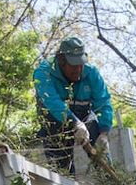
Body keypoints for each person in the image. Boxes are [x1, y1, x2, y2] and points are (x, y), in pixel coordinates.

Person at [33, 37, 114, 174]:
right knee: (62, 166)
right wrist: (74, 122)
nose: (78, 69)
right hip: (56, 121)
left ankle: (110, 181)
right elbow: (52, 102)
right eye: (74, 65)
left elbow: (103, 102)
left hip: (84, 115)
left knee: (101, 150)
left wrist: (104, 133)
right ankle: (64, 177)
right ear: (61, 61)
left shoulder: (91, 73)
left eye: (80, 64)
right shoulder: (44, 72)